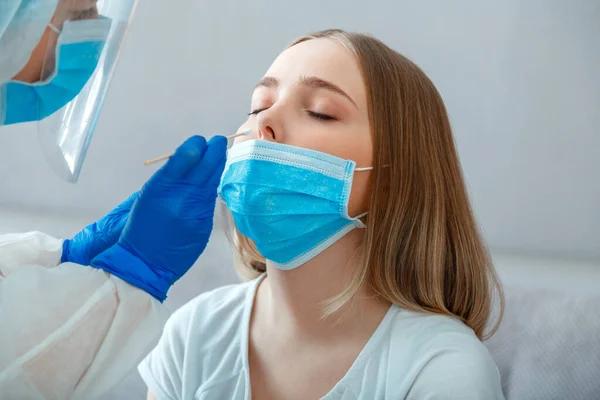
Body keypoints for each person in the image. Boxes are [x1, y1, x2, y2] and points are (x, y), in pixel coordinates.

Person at [138, 29, 506, 399]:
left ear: (396, 179)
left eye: (320, 112)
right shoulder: (193, 335)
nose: (264, 122)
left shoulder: (444, 371)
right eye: (258, 104)